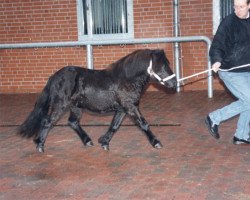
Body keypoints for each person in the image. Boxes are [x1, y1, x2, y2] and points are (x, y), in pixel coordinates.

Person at [205, 0, 250, 144]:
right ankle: (214, 118)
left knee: (247, 101)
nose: (237, 10)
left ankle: (241, 135)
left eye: (241, 6)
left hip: (246, 70)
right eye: (235, 6)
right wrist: (217, 60)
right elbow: (218, 44)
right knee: (249, 100)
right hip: (230, 70)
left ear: (249, 5)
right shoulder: (228, 22)